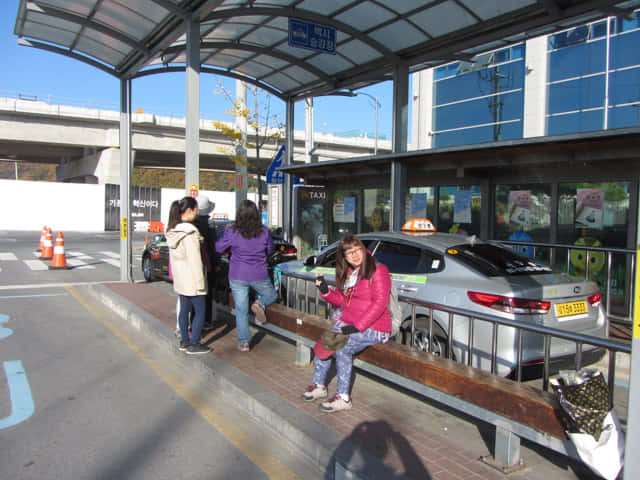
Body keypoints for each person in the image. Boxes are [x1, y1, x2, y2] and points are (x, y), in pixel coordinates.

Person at [301, 234, 391, 413]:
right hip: (349, 322)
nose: (355, 255)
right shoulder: (351, 272)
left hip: (374, 327)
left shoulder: (378, 270)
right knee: (325, 342)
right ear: (344, 257)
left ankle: (343, 397)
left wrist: (357, 326)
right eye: (350, 253)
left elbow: (380, 303)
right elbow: (344, 301)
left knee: (342, 347)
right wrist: (325, 291)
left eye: (357, 250)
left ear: (363, 250)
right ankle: (319, 386)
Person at [215, 200, 277, 352]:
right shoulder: (264, 231)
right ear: (256, 214)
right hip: (258, 274)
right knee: (271, 295)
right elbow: (270, 250)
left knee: (241, 309)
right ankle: (260, 304)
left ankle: (244, 342)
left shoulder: (233, 232)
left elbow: (218, 247)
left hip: (237, 275)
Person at [165, 196, 209, 355]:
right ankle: (194, 343)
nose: (198, 212)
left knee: (184, 310)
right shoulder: (190, 233)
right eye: (196, 209)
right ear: (189, 211)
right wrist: (200, 282)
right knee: (200, 311)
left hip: (181, 279)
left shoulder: (173, 231)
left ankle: (184, 340)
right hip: (192, 279)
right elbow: (195, 261)